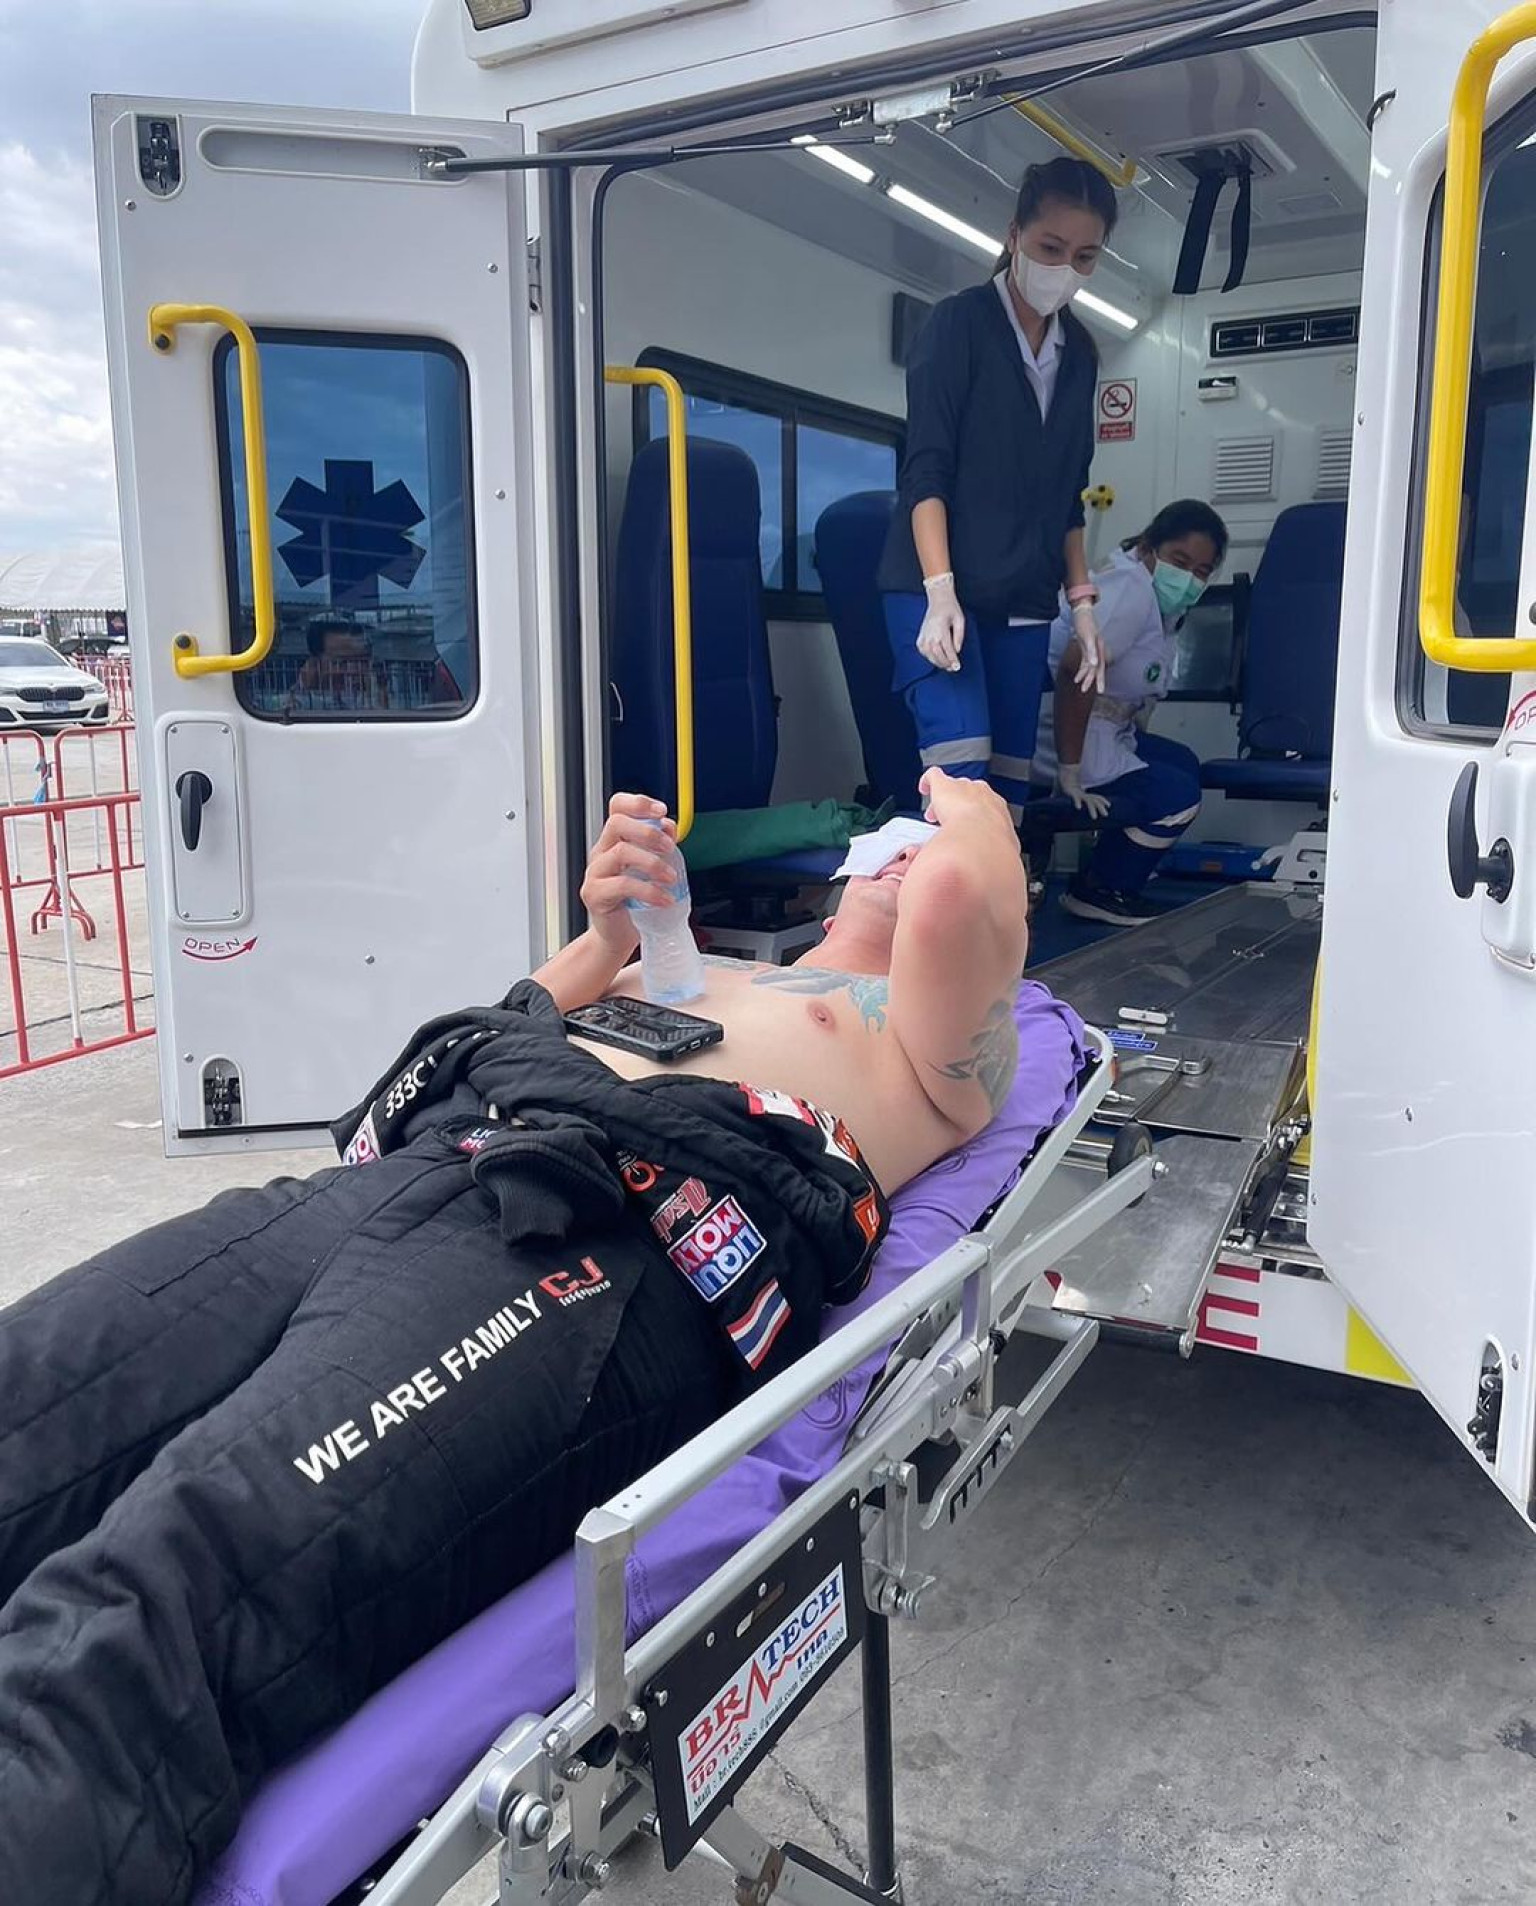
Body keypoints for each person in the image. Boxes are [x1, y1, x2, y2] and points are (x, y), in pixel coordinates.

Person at [0, 769, 1029, 1905]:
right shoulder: (715, 969)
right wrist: (607, 937)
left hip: (606, 1247)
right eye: (894, 845)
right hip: (431, 1158)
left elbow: (957, 904)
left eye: (918, 844)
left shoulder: (942, 1057)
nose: (906, 856)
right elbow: (515, 1017)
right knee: (29, 1397)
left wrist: (975, 804)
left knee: (155, 1597)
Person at [877, 156, 1119, 823]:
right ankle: (940, 892)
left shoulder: (1080, 356)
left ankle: (1004, 894)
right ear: (1014, 235)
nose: (1064, 268)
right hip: (935, 586)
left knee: (1009, 790)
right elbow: (926, 469)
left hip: (1021, 597)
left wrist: (1084, 608)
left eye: (1084, 257)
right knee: (962, 772)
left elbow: (1068, 495)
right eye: (1050, 248)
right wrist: (939, 591)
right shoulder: (959, 325)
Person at [1035, 498, 1229, 927]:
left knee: (1182, 762)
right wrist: (1070, 770)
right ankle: (1102, 889)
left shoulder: (1161, 604)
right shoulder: (1128, 589)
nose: (1189, 578)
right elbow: (1074, 670)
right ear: (1148, 547)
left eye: (1201, 571)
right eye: (1180, 561)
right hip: (1066, 731)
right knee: (1177, 794)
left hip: (1105, 727)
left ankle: (1119, 866)